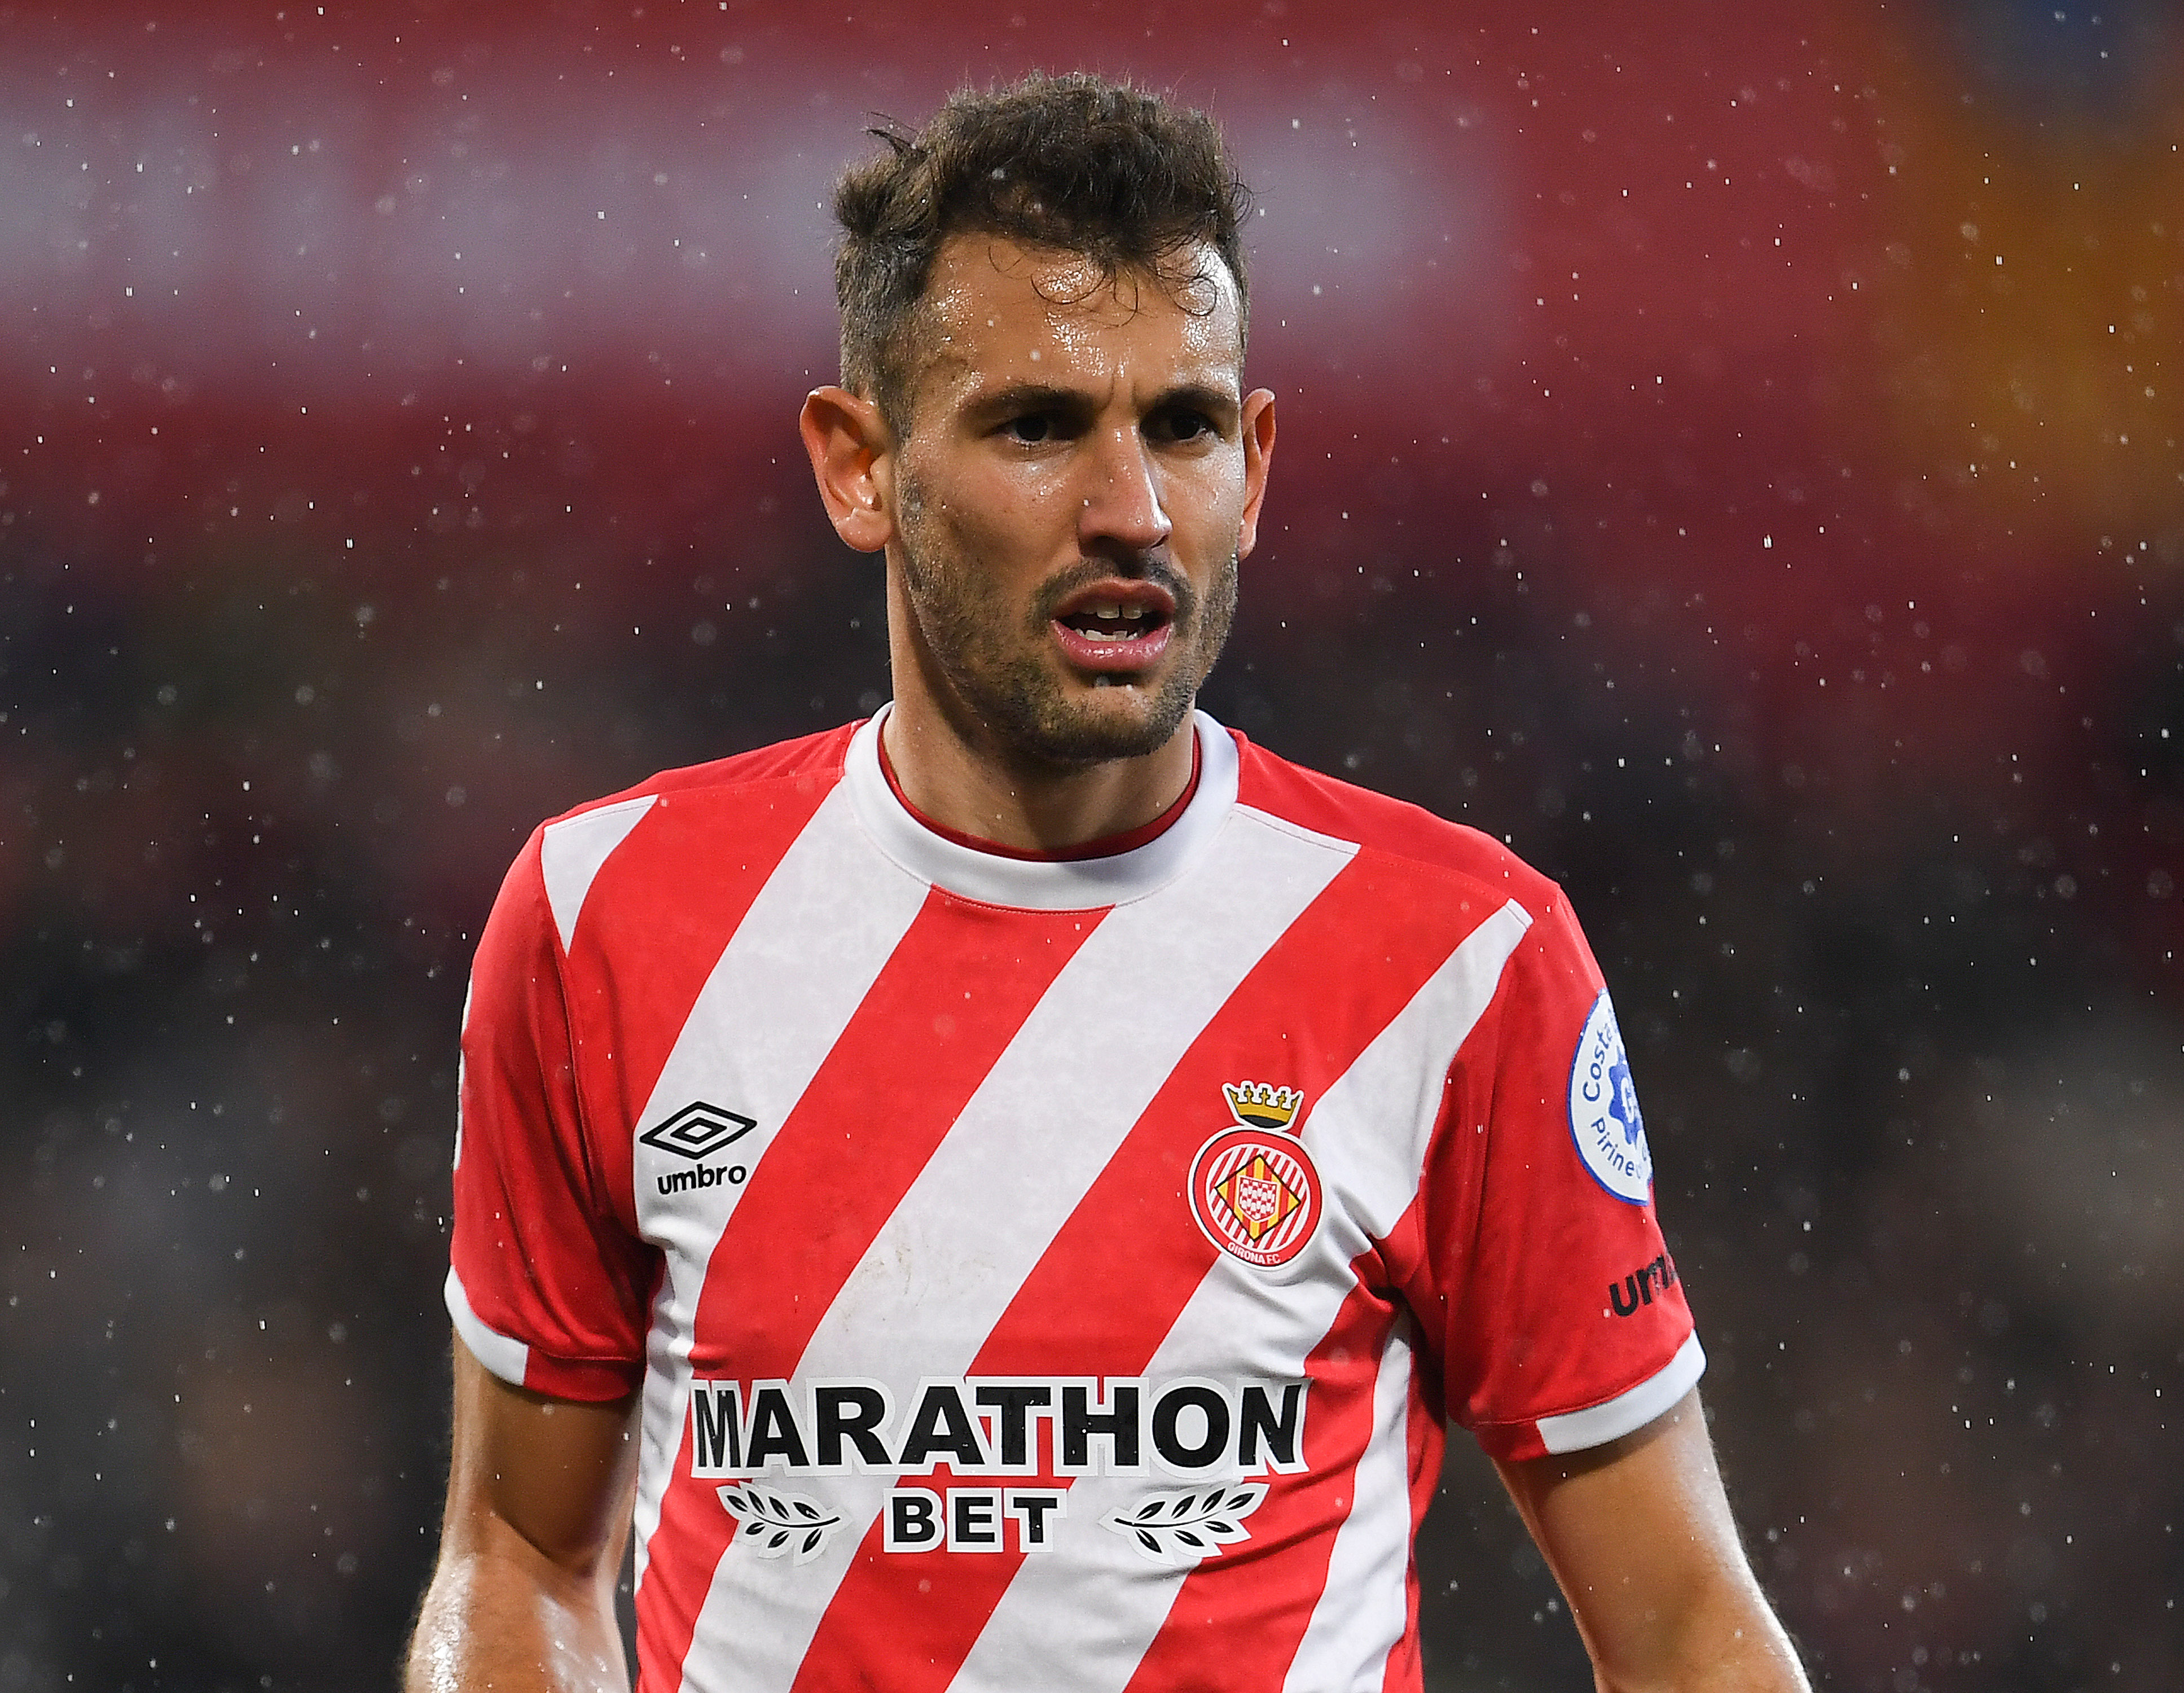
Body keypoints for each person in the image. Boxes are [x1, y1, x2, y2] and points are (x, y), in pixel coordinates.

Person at [407, 72, 1809, 1693]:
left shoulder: (1462, 960)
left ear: (1256, 463)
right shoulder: (603, 921)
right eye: (1037, 425)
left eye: (1185, 426)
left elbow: (1690, 1630)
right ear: (859, 466)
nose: (1132, 511)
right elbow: (517, 1559)